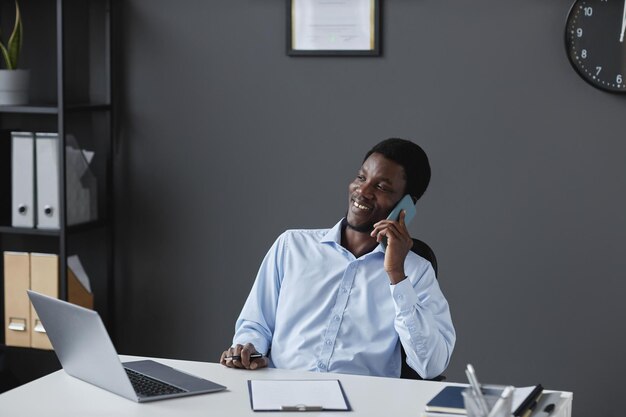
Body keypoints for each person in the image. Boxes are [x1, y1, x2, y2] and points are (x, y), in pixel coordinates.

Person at [220, 138, 455, 379]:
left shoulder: (415, 272)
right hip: (281, 396)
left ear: (405, 206)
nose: (363, 192)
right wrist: (248, 348)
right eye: (362, 178)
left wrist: (396, 274)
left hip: (364, 405)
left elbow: (431, 366)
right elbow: (255, 325)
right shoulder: (291, 246)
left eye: (381, 187)